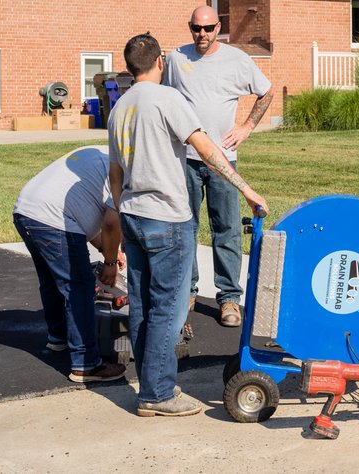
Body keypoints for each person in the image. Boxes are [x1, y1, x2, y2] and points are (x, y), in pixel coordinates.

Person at [108, 32, 268, 418]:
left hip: (133, 213)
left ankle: (151, 385)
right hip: (167, 218)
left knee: (143, 306)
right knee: (168, 308)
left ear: (130, 66)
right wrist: (245, 188)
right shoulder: (168, 99)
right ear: (160, 62)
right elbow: (206, 148)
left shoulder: (119, 107)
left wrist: (123, 211)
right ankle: (158, 395)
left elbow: (114, 173)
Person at [163, 5, 272, 328]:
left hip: (223, 161)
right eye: (196, 28)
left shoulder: (237, 60)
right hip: (186, 160)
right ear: (190, 27)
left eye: (208, 28)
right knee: (185, 229)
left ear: (218, 27)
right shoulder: (176, 59)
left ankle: (228, 299)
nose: (202, 34)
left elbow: (265, 93)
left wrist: (246, 128)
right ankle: (188, 292)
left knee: (226, 230)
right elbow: (166, 101)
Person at [12, 146, 127, 384]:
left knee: (52, 281)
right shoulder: (124, 172)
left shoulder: (98, 153)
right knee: (79, 288)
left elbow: (85, 213)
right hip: (53, 218)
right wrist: (110, 261)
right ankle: (86, 364)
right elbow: (110, 224)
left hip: (26, 210)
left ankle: (59, 337)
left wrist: (107, 249)